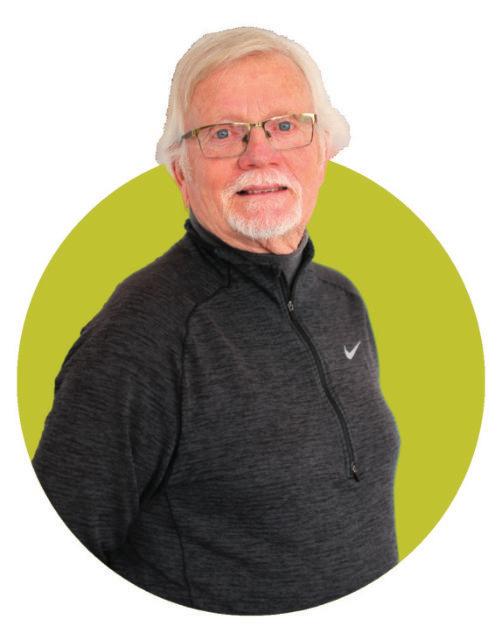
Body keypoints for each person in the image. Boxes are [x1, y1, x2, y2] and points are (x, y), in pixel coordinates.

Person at [32, 26, 401, 616]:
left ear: (323, 150)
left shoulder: (341, 300)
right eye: (223, 133)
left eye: (285, 125)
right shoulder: (139, 338)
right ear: (181, 173)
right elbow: (43, 567)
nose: (260, 154)